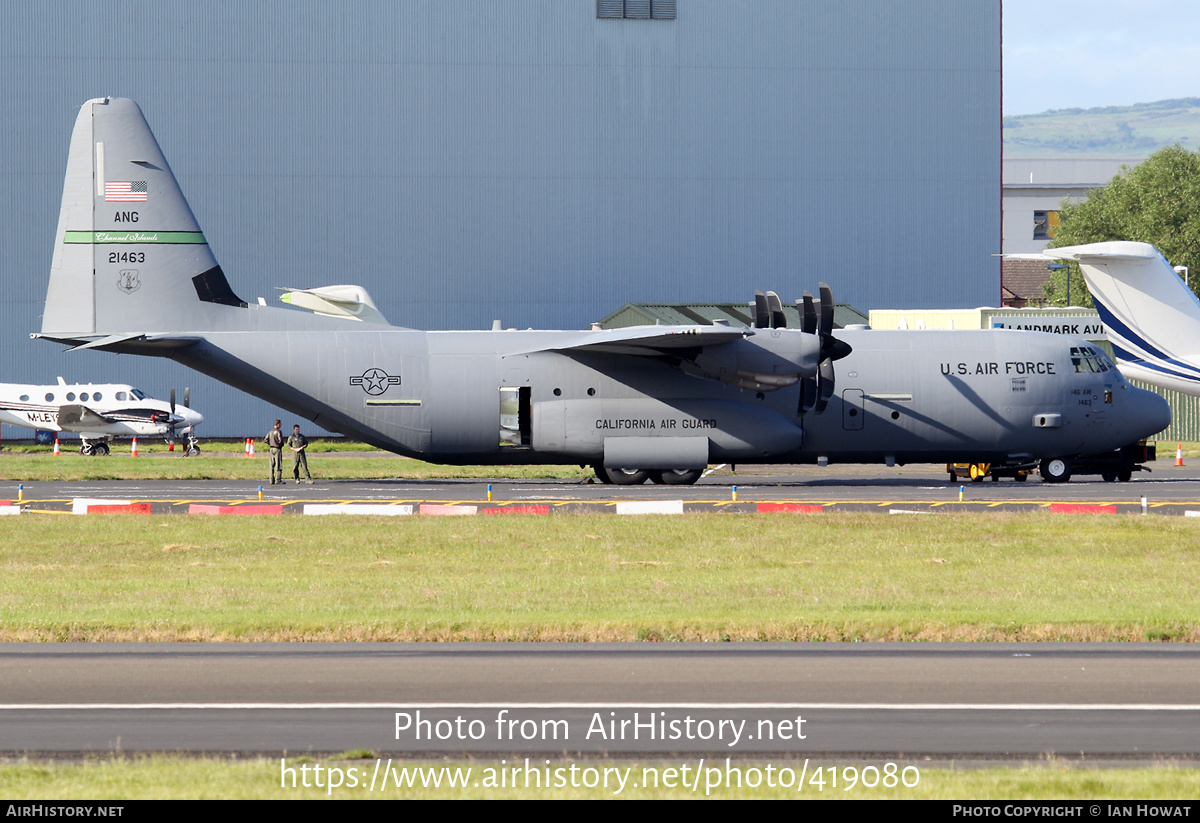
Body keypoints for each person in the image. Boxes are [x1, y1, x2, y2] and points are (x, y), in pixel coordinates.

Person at [265, 419, 285, 484]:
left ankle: (271, 479)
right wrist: (280, 445)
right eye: (280, 424)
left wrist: (270, 443)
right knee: (278, 464)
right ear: (278, 424)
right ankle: (278, 479)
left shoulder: (270, 431)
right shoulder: (278, 431)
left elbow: (265, 440)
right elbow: (280, 440)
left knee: (271, 464)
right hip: (277, 448)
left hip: (271, 448)